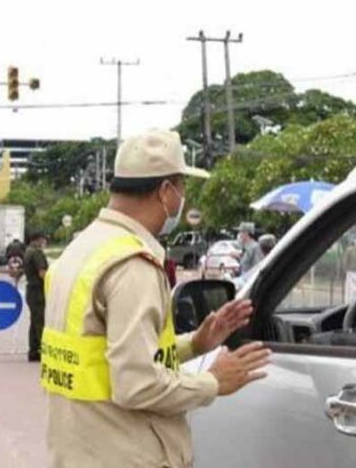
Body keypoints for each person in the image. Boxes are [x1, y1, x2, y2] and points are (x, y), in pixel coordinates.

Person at [42, 130, 270, 468]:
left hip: (79, 451)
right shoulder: (133, 265)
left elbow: (107, 355)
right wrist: (213, 382)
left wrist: (196, 343)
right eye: (182, 188)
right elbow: (137, 384)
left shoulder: (83, 249)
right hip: (125, 454)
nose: (183, 201)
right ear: (166, 191)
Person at [23, 230, 50, 362]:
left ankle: (33, 351)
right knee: (40, 322)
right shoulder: (37, 253)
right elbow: (42, 273)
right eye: (43, 239)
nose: (44, 242)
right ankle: (43, 350)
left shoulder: (28, 251)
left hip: (31, 290)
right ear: (38, 239)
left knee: (34, 322)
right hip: (38, 290)